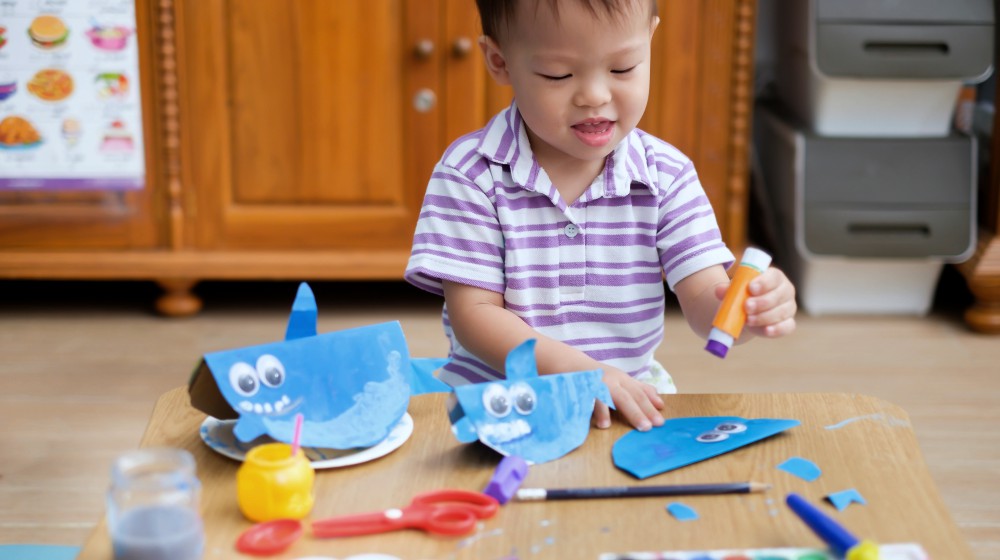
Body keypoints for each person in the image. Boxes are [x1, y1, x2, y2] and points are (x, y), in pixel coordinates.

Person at [405, 0, 797, 432]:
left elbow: (707, 304)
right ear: (500, 62)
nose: (595, 95)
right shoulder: (471, 172)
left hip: (626, 405)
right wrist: (577, 370)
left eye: (623, 68)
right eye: (558, 74)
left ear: (649, 41)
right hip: (503, 409)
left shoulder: (666, 175)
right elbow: (473, 316)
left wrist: (747, 310)